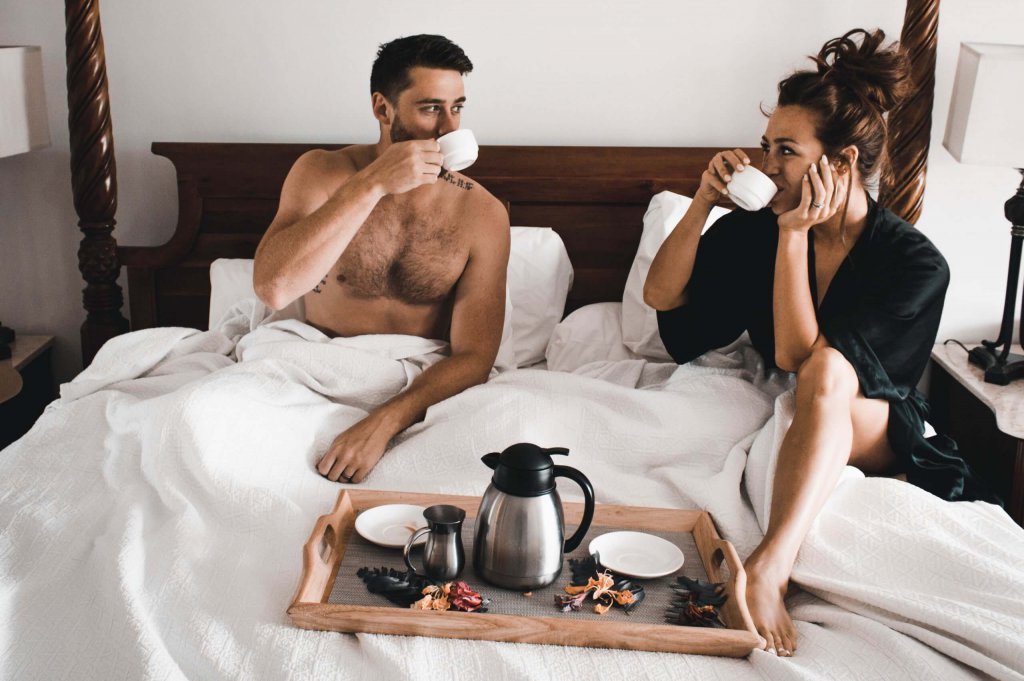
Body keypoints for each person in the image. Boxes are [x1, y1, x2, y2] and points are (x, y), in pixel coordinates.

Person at [644, 28, 995, 657]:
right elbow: (661, 298)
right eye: (765, 146)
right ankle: (773, 566)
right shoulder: (758, 229)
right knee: (821, 374)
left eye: (785, 150)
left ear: (841, 163)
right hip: (810, 397)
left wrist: (793, 237)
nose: (765, 165)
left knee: (829, 371)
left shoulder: (914, 265)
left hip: (877, 424)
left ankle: (772, 563)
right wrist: (701, 202)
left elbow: (800, 360)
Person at [253, 35, 510, 485]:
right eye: (431, 108)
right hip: (313, 376)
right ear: (382, 109)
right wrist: (371, 184)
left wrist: (384, 423)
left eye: (458, 107)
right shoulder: (321, 173)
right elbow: (273, 287)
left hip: (419, 391)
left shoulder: (483, 213)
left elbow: (474, 356)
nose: (449, 128)